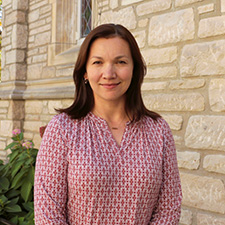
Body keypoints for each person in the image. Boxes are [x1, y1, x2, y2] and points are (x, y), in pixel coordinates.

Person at [34, 23, 182, 224]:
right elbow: (48, 214)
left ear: (134, 69)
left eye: (120, 62)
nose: (109, 73)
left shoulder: (158, 131)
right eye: (98, 62)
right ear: (84, 71)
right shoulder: (62, 130)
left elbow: (169, 209)